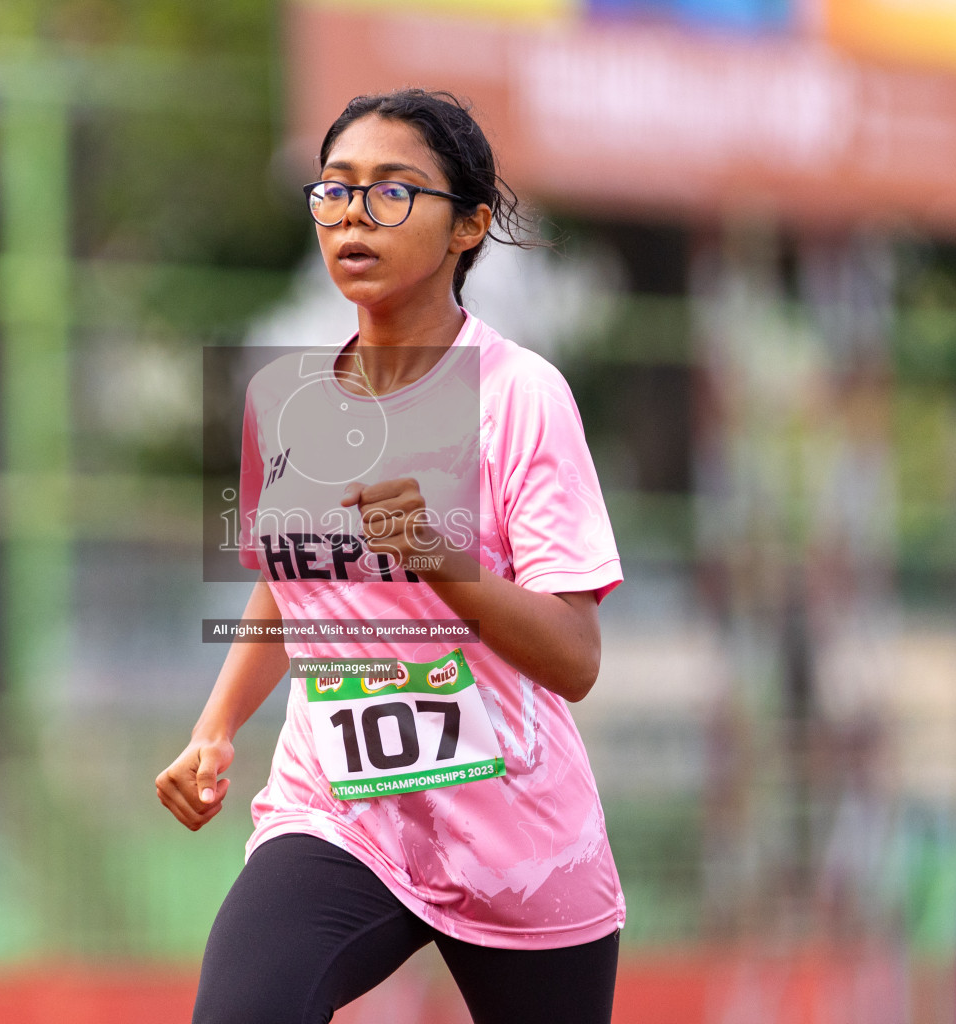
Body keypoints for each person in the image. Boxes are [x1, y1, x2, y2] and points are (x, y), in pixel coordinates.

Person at [157, 88, 624, 1024]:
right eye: (333, 192)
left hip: (516, 840)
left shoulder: (523, 396)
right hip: (338, 813)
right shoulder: (292, 401)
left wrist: (441, 559)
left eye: (393, 192)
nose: (354, 216)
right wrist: (216, 727)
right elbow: (288, 588)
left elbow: (575, 661)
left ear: (470, 226)